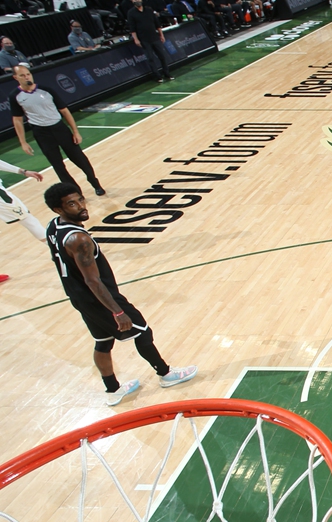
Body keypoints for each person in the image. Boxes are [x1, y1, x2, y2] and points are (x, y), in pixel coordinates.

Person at [43, 183, 197, 406]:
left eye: (80, 200)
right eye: (72, 204)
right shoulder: (79, 240)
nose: (81, 206)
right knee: (143, 332)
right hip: (99, 298)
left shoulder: (54, 227)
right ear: (58, 209)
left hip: (80, 298)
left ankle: (113, 390)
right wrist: (117, 310)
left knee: (103, 341)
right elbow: (92, 280)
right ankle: (166, 374)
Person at [9, 65, 106, 197]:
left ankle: (95, 183)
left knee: (80, 159)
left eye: (28, 74)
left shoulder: (46, 90)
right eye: (22, 75)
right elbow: (17, 120)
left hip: (59, 128)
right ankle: (75, 193)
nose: (26, 77)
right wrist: (23, 142)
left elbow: (64, 111)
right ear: (16, 78)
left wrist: (75, 131)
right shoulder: (15, 96)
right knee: (58, 166)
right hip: (41, 133)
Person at [127, 0, 174, 82]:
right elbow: (132, 28)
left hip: (154, 37)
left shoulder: (149, 10)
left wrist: (161, 35)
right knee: (150, 58)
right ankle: (157, 76)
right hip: (144, 39)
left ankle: (167, 73)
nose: (137, 1)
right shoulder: (131, 13)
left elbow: (157, 23)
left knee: (162, 56)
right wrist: (136, 39)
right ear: (132, 1)